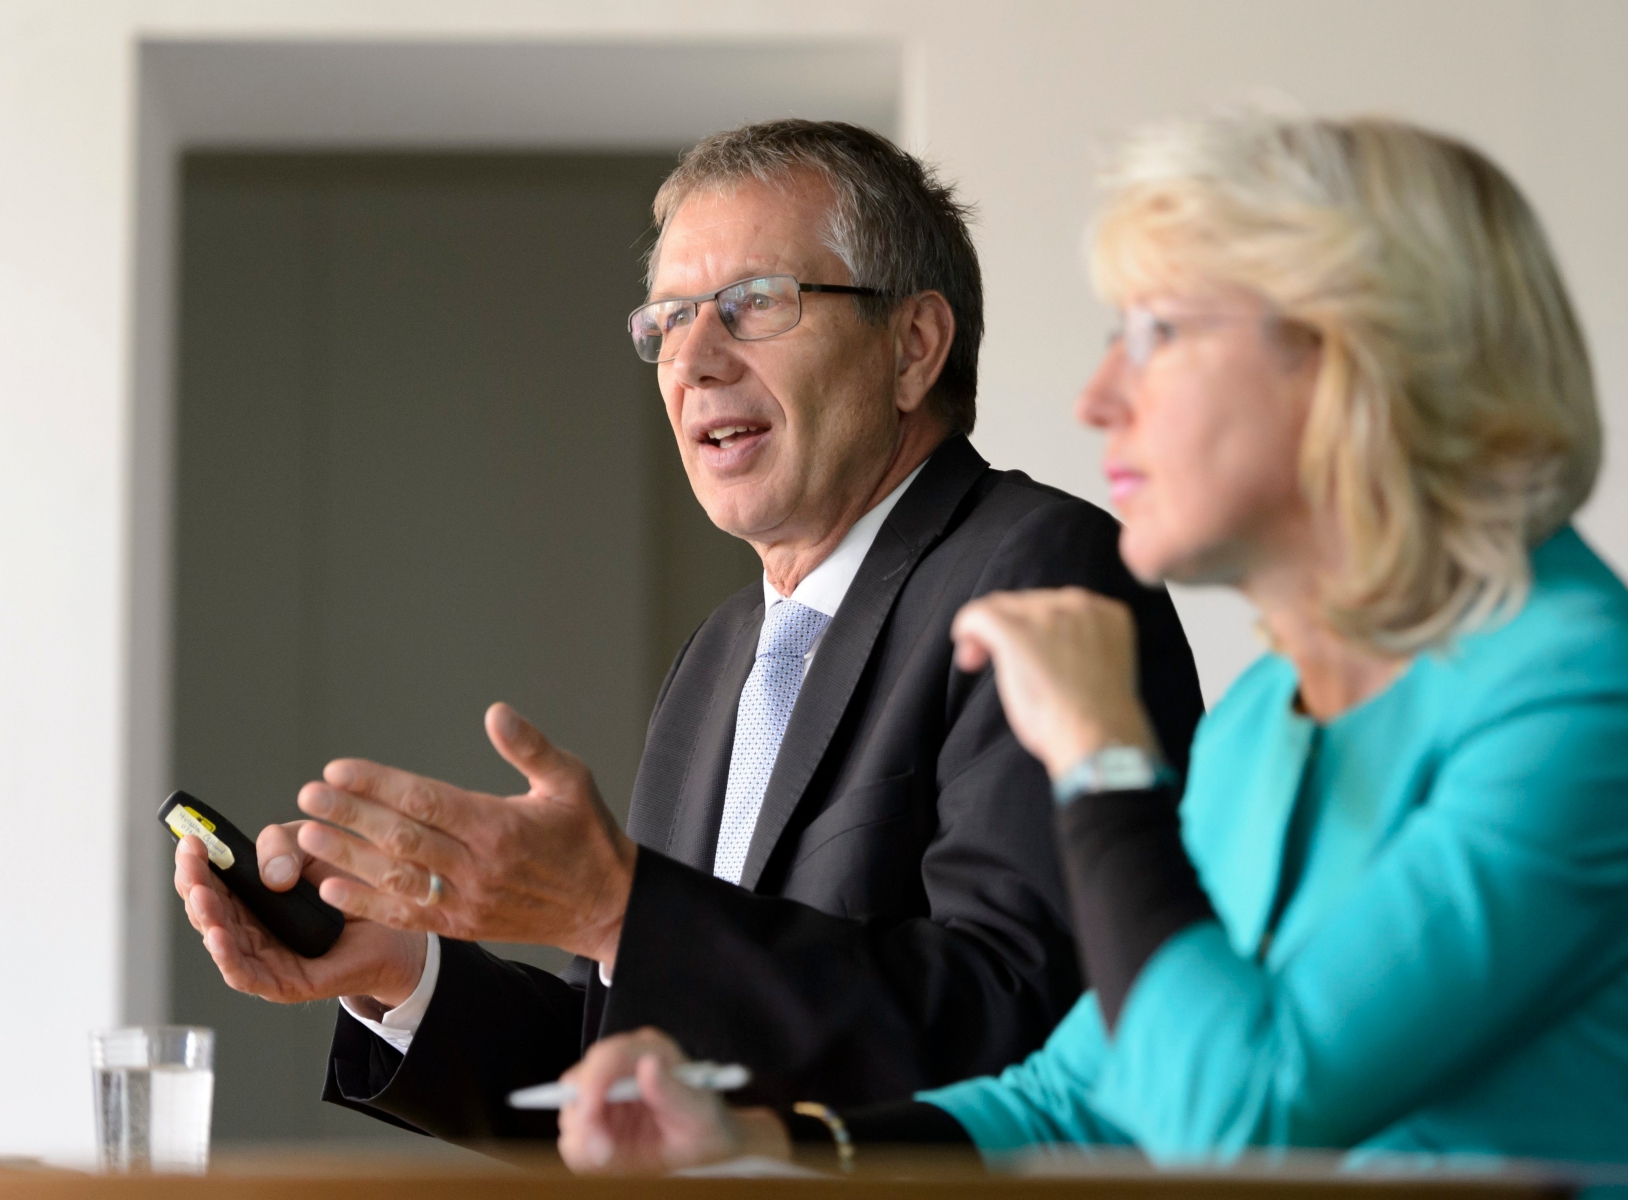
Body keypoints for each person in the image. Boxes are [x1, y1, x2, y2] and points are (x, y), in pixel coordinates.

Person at [550, 112, 1628, 1193]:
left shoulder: (1584, 702)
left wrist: (1104, 765)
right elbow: (1074, 1099)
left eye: (1160, 332)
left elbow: (1244, 1114)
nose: (1098, 395)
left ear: (1361, 362)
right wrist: (767, 1146)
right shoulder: (1272, 708)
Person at [172, 119, 1204, 1142]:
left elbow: (1020, 1026)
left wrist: (618, 909)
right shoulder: (719, 656)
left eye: (752, 304)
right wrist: (402, 971)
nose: (693, 359)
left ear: (912, 346)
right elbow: (625, 1075)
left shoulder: (1038, 575)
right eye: (665, 320)